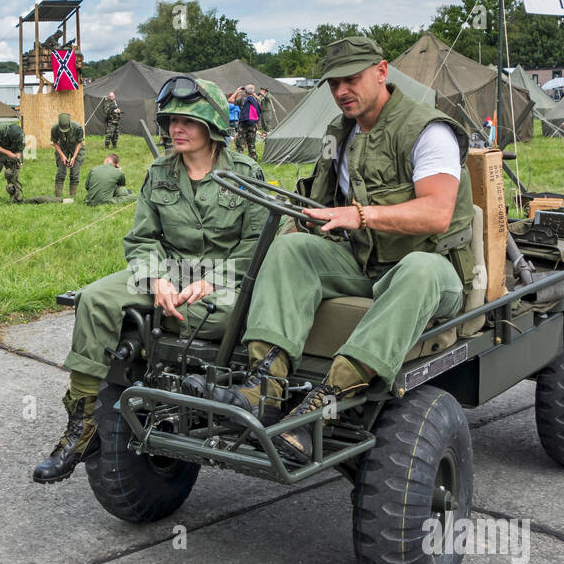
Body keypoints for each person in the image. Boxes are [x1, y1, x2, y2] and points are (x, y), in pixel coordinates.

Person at [196, 36, 476, 462]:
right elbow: (325, 203)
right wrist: (310, 219)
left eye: (352, 79)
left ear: (382, 72)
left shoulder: (428, 129)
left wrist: (360, 215)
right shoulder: (340, 134)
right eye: (333, 84)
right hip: (364, 260)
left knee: (419, 269)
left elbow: (437, 213)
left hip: (432, 268)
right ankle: (262, 388)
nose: (342, 91)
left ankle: (324, 405)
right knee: (291, 250)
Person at [32, 77, 266, 482]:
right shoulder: (159, 172)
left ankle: (184, 390)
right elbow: (142, 239)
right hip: (169, 272)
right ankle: (82, 426)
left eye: (188, 122)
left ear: (211, 125)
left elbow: (258, 245)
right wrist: (157, 278)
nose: (176, 128)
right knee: (95, 299)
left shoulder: (245, 173)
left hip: (224, 279)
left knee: (213, 319)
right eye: (172, 120)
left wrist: (211, 281)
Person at [0, 121, 25, 202]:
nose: (14, 142)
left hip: (13, 153)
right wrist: (8, 153)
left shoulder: (21, 135)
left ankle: (15, 199)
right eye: (12, 140)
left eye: (15, 141)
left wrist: (17, 160)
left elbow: (19, 149)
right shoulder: (1, 129)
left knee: (12, 176)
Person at [50, 113, 85, 198]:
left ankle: (72, 197)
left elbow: (80, 143)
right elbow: (55, 142)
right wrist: (62, 155)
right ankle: (57, 197)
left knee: (74, 174)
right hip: (62, 147)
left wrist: (73, 158)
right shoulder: (54, 129)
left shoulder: (78, 128)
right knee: (61, 172)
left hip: (76, 147)